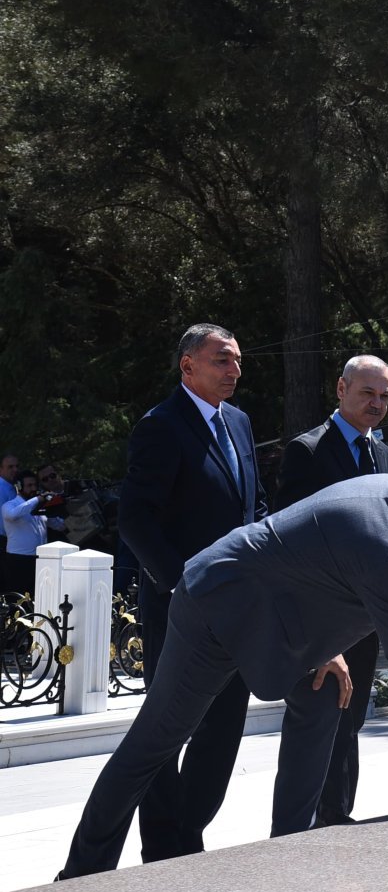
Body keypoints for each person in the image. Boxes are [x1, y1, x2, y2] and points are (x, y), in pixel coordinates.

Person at [58, 473, 388, 879]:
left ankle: (290, 845)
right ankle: (80, 873)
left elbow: (321, 565)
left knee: (326, 690)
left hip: (271, 619)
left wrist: (327, 648)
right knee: (154, 744)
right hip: (217, 607)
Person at [120, 322, 268, 863]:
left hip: (236, 609)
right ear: (188, 366)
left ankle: (192, 829)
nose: (234, 370)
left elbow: (256, 508)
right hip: (178, 608)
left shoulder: (240, 423)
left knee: (223, 727)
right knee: (167, 728)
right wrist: (182, 583)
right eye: (221, 360)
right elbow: (136, 519)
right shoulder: (160, 426)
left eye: (236, 360)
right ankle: (163, 844)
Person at [272, 354, 388, 828]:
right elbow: (290, 544)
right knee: (319, 718)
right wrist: (319, 637)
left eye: (385, 396)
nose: (377, 404)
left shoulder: (385, 456)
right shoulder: (306, 451)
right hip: (319, 617)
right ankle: (299, 828)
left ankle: (337, 816)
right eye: (368, 393)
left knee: (352, 719)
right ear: (341, 388)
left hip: (365, 615)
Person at [3, 469, 66, 593]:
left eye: (35, 485)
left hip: (41, 559)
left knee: (40, 594)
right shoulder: (10, 505)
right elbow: (13, 515)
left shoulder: (39, 505)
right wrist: (38, 499)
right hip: (19, 560)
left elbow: (59, 525)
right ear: (19, 487)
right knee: (18, 596)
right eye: (29, 486)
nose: (33, 488)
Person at [0, 452, 18, 591]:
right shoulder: (2, 488)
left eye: (16, 466)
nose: (15, 470)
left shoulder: (11, 487)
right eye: (10, 467)